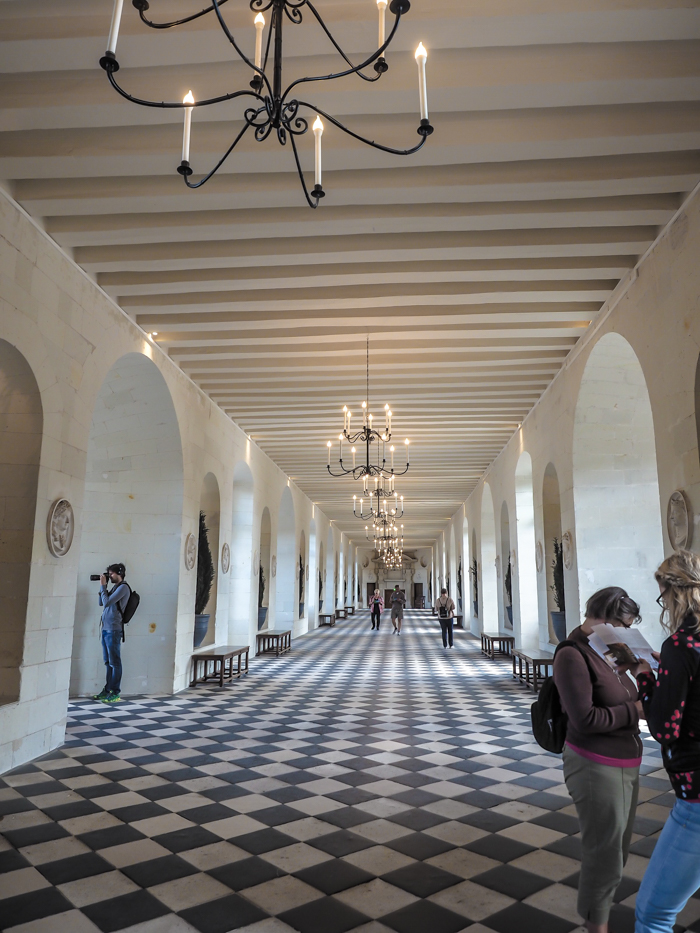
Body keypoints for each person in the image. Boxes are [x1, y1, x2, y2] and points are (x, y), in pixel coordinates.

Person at [553, 586, 644, 933]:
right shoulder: (573, 654)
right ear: (605, 619)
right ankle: (596, 926)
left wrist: (644, 668)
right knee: (604, 855)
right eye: (623, 626)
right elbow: (585, 719)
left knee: (617, 851)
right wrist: (634, 711)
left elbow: (626, 688)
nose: (625, 634)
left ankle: (598, 917)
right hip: (595, 764)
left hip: (624, 760)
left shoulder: (607, 648)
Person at [631, 550, 700, 933]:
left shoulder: (681, 644)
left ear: (674, 594)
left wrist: (645, 676)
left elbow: (664, 727)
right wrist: (667, 668)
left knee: (654, 913)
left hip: (697, 796)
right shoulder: (684, 650)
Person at [93, 563, 130, 703]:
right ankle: (108, 689)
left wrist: (103, 586)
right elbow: (101, 603)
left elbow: (107, 602)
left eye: (111, 574)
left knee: (115, 662)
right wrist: (103, 587)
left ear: (119, 573)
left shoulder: (123, 588)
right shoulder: (114, 587)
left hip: (114, 630)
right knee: (108, 662)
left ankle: (116, 692)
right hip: (105, 629)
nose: (110, 576)